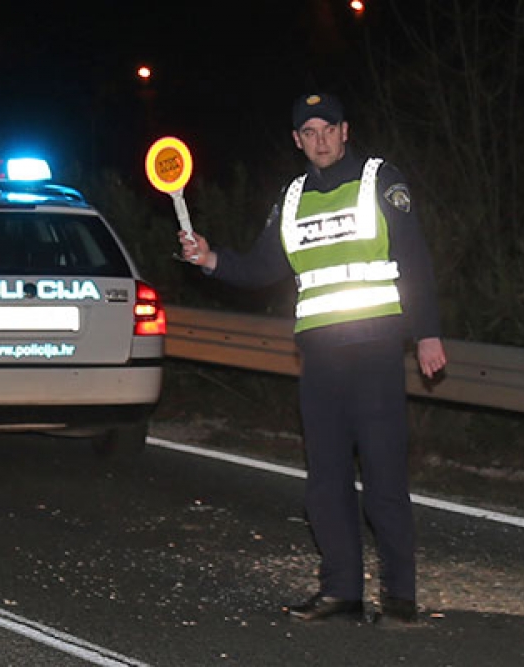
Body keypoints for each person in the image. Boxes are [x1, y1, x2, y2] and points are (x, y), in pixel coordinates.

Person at [177, 92, 447, 623]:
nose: (320, 139)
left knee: (384, 479)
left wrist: (429, 335)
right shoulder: (294, 196)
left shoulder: (379, 179)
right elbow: (260, 268)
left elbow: (413, 257)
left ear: (345, 131)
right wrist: (209, 259)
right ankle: (341, 593)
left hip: (374, 352)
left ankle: (399, 597)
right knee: (325, 483)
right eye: (309, 132)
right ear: (297, 140)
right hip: (320, 359)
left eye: (328, 129)